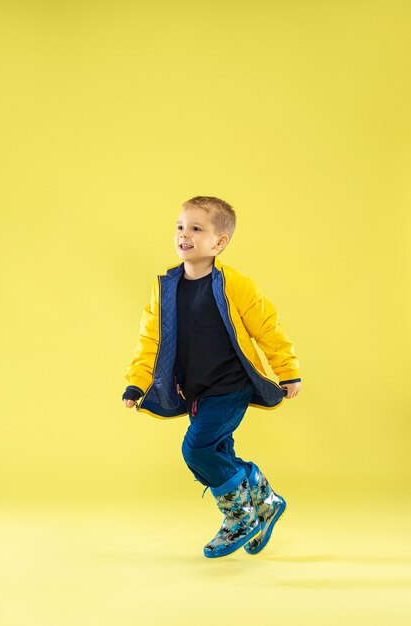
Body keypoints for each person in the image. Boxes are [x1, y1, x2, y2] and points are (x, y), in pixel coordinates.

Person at [121, 196, 302, 558]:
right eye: (179, 226)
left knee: (197, 448)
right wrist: (137, 382)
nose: (183, 234)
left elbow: (267, 327)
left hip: (231, 386)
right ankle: (264, 501)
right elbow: (151, 341)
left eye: (196, 228)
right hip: (196, 392)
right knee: (217, 451)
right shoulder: (166, 288)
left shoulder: (233, 284)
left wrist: (287, 370)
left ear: (219, 243)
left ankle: (239, 515)